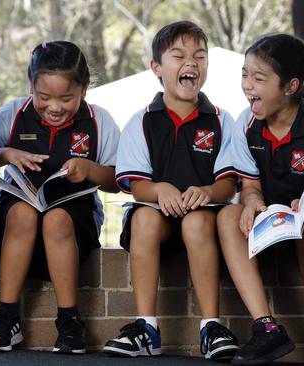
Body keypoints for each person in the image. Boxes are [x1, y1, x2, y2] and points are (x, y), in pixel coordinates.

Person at [102, 20, 239, 360]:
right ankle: (146, 328)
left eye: (200, 56)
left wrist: (207, 192)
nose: (191, 63)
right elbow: (136, 186)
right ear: (156, 68)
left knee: (196, 221)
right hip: (158, 220)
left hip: (204, 222)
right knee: (144, 220)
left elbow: (229, 183)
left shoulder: (222, 120)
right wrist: (160, 189)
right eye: (178, 56)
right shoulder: (142, 120)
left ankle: (211, 327)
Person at [0, 40, 120, 354]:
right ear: (31, 86)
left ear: (83, 89)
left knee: (56, 219)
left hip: (75, 216)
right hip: (18, 206)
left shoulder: (100, 121)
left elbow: (119, 181)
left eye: (66, 98)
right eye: (43, 97)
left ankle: (70, 322)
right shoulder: (11, 113)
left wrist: (90, 170)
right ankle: (7, 318)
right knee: (22, 214)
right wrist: (6, 154)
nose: (55, 107)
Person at [218, 33, 304, 365]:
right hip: (270, 219)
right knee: (226, 218)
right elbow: (249, 183)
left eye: (258, 78)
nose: (248, 85)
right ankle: (266, 328)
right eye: (245, 74)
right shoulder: (245, 123)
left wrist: (302, 209)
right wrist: (250, 203)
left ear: (290, 86)